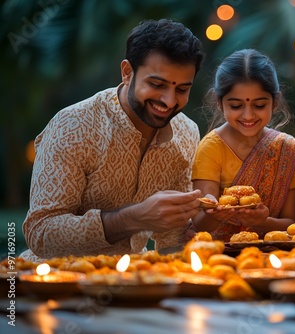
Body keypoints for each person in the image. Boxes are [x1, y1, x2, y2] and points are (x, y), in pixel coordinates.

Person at [20, 19, 206, 262]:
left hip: (137, 283)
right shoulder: (73, 125)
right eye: (156, 84)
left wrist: (209, 217)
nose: (170, 101)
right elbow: (41, 234)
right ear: (127, 72)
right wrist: (134, 217)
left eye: (182, 89)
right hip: (57, 285)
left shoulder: (186, 133)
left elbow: (171, 240)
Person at [187, 49, 295, 242]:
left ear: (274, 102)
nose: (248, 115)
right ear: (219, 102)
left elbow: (290, 223)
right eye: (236, 106)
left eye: (259, 106)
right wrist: (213, 214)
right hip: (217, 255)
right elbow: (200, 224)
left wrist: (262, 221)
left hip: (272, 253)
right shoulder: (211, 148)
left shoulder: (284, 148)